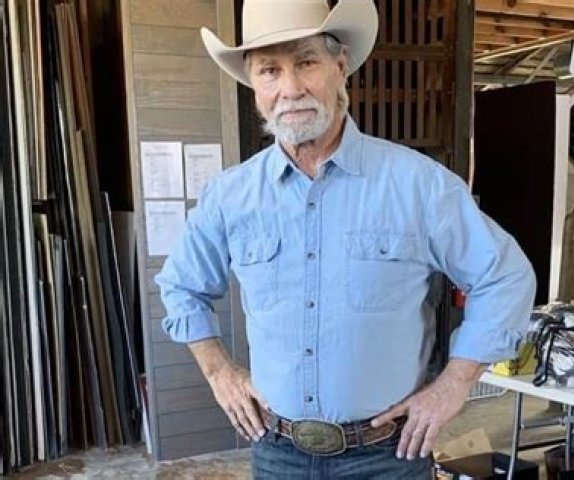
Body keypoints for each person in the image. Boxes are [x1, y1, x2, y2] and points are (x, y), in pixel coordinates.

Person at [156, 0, 536, 477]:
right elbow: (181, 287)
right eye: (270, 70)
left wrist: (454, 384)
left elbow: (505, 277)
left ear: (340, 67)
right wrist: (219, 372)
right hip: (278, 454)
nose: (290, 88)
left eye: (306, 62)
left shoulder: (417, 185)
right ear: (253, 86)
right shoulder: (229, 196)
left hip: (388, 457)